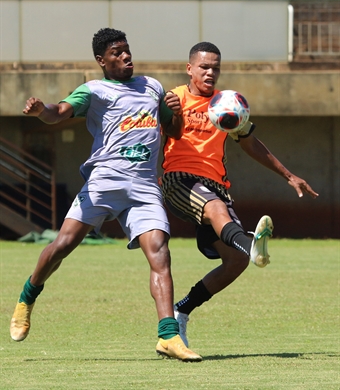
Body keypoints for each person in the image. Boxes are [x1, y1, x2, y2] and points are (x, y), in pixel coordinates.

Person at [10, 28, 202, 362]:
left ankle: (168, 336)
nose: (126, 56)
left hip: (143, 184)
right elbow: (59, 112)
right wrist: (42, 110)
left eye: (127, 50)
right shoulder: (94, 91)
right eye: (116, 52)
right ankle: (28, 296)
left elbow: (172, 130)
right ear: (101, 60)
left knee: (160, 253)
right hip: (105, 180)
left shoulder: (153, 86)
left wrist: (175, 110)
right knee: (62, 246)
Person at [160, 41, 319, 347]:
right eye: (204, 67)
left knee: (236, 261)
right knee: (217, 210)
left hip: (215, 184)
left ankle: (182, 311)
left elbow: (249, 142)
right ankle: (252, 243)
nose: (210, 72)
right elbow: (162, 132)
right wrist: (165, 111)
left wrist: (288, 175)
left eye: (215, 67)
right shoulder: (174, 97)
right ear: (189, 68)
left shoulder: (227, 104)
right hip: (178, 178)